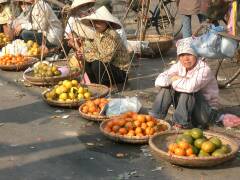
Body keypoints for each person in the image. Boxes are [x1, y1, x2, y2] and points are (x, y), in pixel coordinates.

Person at [149, 37, 221, 129]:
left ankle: (180, 123)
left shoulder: (204, 69)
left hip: (205, 114)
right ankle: (155, 117)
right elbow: (159, 80)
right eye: (182, 55)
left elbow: (190, 87)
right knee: (167, 87)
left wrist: (175, 79)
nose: (186, 59)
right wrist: (173, 79)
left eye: (189, 54)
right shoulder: (179, 65)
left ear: (195, 55)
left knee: (188, 90)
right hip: (188, 110)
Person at [76, 6, 130, 88]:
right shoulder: (97, 34)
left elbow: (106, 58)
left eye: (98, 22)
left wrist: (88, 55)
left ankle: (108, 86)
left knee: (97, 64)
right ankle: (95, 84)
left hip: (120, 72)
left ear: (106, 22)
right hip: (106, 66)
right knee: (86, 61)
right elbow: (91, 49)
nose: (95, 25)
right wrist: (83, 55)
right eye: (93, 22)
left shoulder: (112, 35)